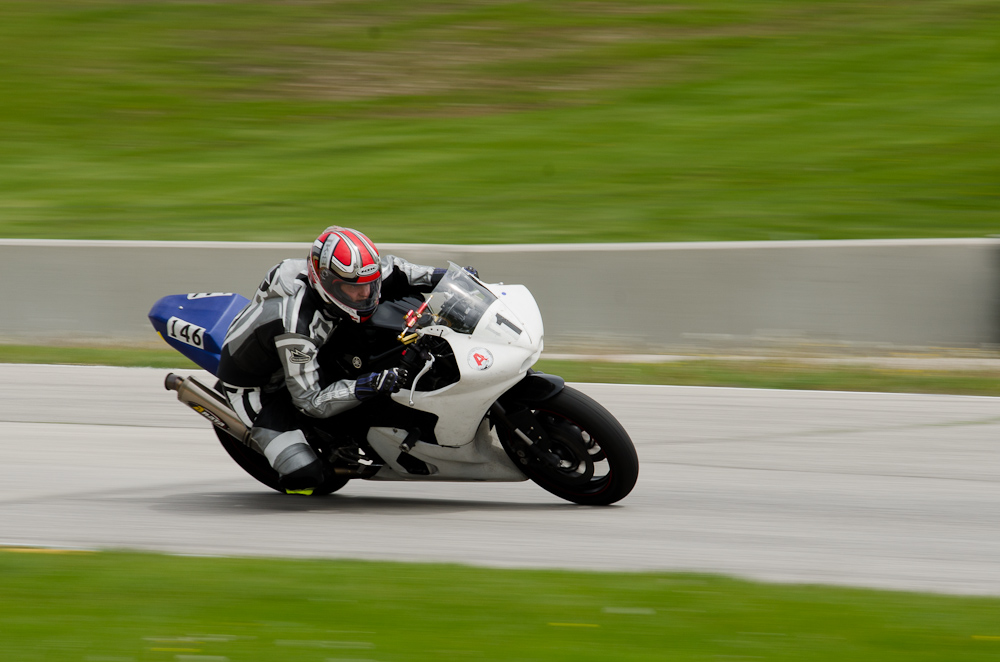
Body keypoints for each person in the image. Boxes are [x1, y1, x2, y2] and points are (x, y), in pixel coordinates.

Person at [216, 226, 447, 494]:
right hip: (263, 388)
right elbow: (311, 402)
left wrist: (446, 277)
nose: (366, 295)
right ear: (325, 282)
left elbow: (394, 270)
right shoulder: (297, 328)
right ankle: (277, 442)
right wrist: (369, 384)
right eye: (354, 289)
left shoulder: (348, 277)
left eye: (369, 286)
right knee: (307, 476)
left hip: (307, 353)